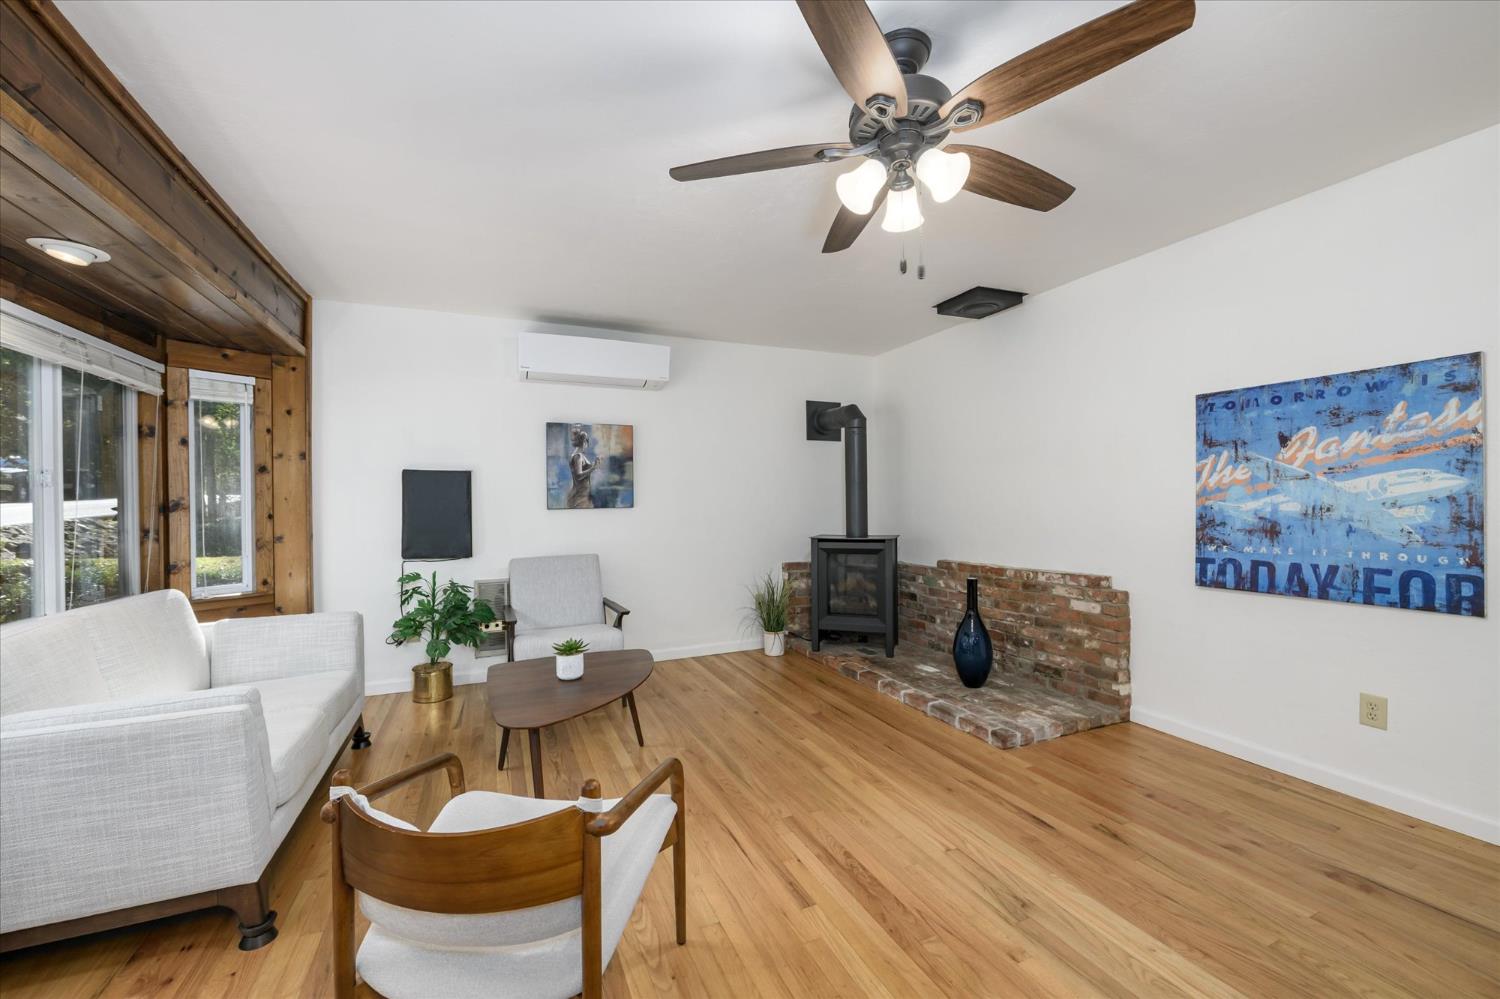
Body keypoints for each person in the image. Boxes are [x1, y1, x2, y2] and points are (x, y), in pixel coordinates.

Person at [566, 425, 597, 509]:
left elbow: (583, 470)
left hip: (584, 494)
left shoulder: (578, 455)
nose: (587, 446)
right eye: (587, 443)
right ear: (584, 443)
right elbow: (578, 475)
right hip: (580, 495)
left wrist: (594, 465)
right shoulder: (578, 456)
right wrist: (593, 468)